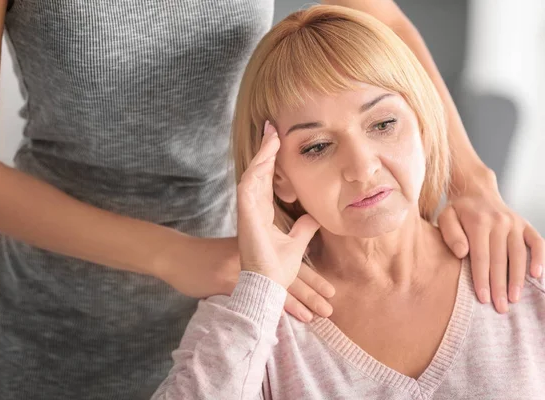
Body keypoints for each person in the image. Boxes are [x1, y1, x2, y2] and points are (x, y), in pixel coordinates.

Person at [0, 0, 541, 399]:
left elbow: (379, 22)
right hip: (71, 296)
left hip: (249, 269)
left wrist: (469, 179)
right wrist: (175, 257)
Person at [152, 6, 545, 399]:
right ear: (278, 178)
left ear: (424, 129)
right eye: (318, 146)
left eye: (383, 124)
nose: (361, 168)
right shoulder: (252, 317)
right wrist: (260, 292)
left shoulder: (524, 275)